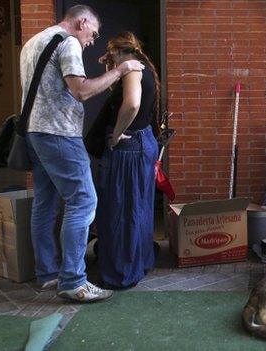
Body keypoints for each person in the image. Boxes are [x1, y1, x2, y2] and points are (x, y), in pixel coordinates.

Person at [20, 5, 144, 302]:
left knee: (45, 203)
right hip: (60, 133)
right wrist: (121, 69)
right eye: (94, 33)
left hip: (34, 133)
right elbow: (82, 91)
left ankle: (48, 273)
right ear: (82, 21)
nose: (92, 40)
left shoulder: (34, 42)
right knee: (83, 200)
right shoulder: (69, 42)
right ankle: (74, 281)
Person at [93, 32, 160, 289]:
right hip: (142, 144)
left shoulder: (132, 71)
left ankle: (121, 273)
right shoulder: (141, 67)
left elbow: (131, 104)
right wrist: (112, 68)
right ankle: (138, 264)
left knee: (120, 208)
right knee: (137, 207)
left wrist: (117, 133)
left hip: (129, 146)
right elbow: (122, 97)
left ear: (116, 50)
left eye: (110, 54)